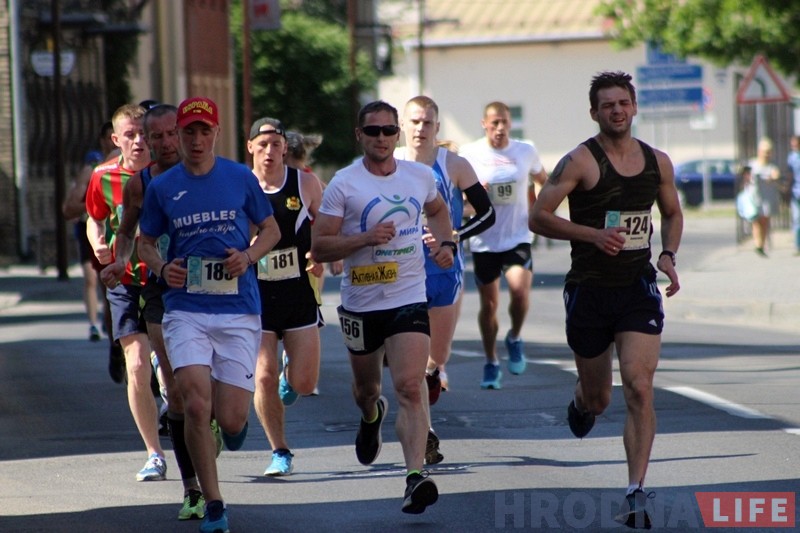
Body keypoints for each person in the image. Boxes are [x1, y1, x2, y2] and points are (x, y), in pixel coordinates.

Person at [529, 71, 683, 529]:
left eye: (623, 103)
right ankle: (581, 402)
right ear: (594, 112)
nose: (617, 111)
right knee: (599, 398)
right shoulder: (580, 160)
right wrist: (592, 234)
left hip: (637, 288)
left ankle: (635, 491)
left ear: (634, 107)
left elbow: (672, 213)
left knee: (639, 386)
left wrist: (668, 254)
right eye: (607, 105)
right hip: (590, 290)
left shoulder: (657, 162)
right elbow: (539, 216)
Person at [138, 96, 280, 533]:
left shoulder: (240, 177)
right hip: (186, 309)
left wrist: (249, 256)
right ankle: (213, 503)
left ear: (216, 132)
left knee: (232, 418)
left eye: (204, 131)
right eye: (189, 132)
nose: (196, 140)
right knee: (195, 403)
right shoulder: (163, 187)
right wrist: (163, 267)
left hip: (238, 310)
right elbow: (145, 242)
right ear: (179, 135)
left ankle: (229, 426)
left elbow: (271, 229)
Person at [311, 100, 454, 514]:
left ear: (397, 134)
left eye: (388, 130)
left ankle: (414, 477)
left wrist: (446, 243)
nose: (381, 138)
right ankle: (371, 415)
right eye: (372, 131)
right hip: (361, 302)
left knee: (409, 386)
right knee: (367, 390)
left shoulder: (419, 176)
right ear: (360, 135)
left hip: (408, 296)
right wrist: (364, 238)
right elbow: (320, 247)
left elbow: (438, 210)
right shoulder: (344, 183)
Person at [100, 103, 215, 521]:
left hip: (215, 289)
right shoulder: (141, 184)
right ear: (146, 140)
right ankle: (192, 489)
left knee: (215, 392)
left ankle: (216, 419)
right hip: (162, 290)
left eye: (172, 134)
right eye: (157, 137)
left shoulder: (211, 174)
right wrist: (119, 261)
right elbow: (127, 232)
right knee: (177, 389)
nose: (166, 143)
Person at [396, 95, 495, 465]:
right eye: (415, 122)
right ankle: (426, 435)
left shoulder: (453, 164)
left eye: (427, 123)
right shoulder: (390, 164)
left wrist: (454, 236)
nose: (421, 129)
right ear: (403, 125)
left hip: (443, 270)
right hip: (402, 272)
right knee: (411, 363)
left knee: (436, 357)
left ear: (437, 127)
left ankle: (434, 374)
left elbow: (486, 213)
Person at [85, 103, 168, 483]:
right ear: (115, 139)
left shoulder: (170, 172)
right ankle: (154, 453)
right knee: (135, 364)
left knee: (170, 365)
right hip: (125, 279)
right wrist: (98, 244)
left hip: (165, 277)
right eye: (129, 135)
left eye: (142, 134)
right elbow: (95, 218)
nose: (138, 142)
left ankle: (189, 411)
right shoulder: (103, 176)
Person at [247, 117, 324, 477]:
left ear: (284, 149)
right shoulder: (240, 186)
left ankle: (289, 377)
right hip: (256, 295)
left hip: (297, 293)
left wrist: (322, 255)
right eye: (262, 145)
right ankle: (280, 451)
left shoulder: (305, 183)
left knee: (304, 384)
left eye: (275, 145)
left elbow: (327, 224)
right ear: (250, 147)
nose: (269, 151)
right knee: (263, 376)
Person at [459, 101, 547, 389]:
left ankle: (515, 337)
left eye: (504, 122)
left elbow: (543, 180)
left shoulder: (525, 150)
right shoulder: (470, 153)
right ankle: (491, 361)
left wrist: (541, 208)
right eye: (494, 123)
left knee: (519, 291)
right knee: (490, 305)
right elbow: (457, 194)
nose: (500, 128)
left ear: (510, 124)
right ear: (484, 124)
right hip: (484, 240)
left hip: (517, 236)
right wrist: (473, 194)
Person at [62, 121, 116, 342]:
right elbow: (68, 209)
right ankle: (96, 325)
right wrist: (96, 203)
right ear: (103, 141)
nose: (115, 143)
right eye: (111, 137)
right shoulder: (92, 170)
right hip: (94, 232)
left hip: (123, 237)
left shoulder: (137, 167)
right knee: (94, 280)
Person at [748, 138, 782, 257]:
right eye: (764, 151)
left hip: (767, 197)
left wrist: (772, 178)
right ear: (759, 151)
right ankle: (758, 245)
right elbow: (745, 174)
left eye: (768, 152)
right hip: (755, 197)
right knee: (756, 221)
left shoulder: (772, 166)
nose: (766, 154)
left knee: (764, 221)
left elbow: (776, 174)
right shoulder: (752, 164)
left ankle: (761, 244)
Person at [786, 136, 800, 254]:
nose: (793, 146)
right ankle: (798, 245)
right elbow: (790, 174)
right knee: (796, 218)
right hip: (796, 192)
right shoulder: (791, 157)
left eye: (795, 144)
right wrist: (787, 189)